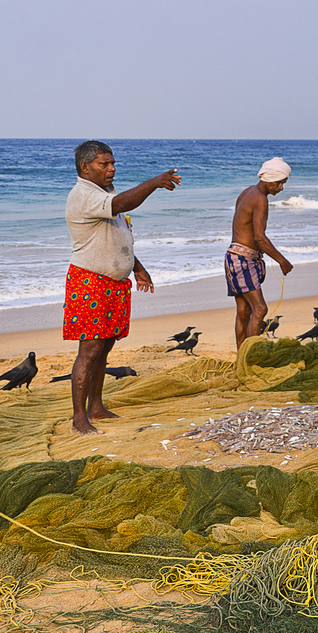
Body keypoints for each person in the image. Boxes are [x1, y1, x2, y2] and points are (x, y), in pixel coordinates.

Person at [65, 141, 179, 434]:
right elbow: (123, 205)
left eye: (113, 163)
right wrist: (154, 183)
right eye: (104, 164)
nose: (112, 169)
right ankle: (79, 418)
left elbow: (120, 235)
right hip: (90, 280)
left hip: (115, 283)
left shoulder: (105, 192)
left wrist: (138, 269)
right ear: (85, 167)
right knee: (89, 351)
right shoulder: (84, 195)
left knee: (104, 349)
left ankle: (97, 407)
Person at [227, 157, 295, 346]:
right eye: (279, 182)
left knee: (244, 311)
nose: (281, 187)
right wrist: (282, 261)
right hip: (243, 259)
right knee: (260, 309)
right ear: (270, 178)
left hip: (234, 256)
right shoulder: (260, 199)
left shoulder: (247, 192)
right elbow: (259, 238)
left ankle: (242, 356)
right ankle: (251, 357)